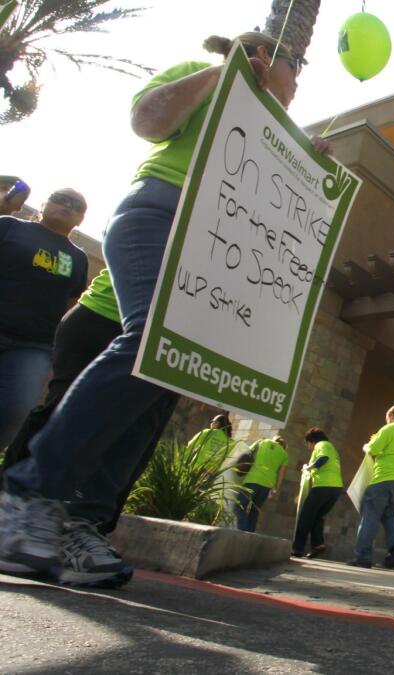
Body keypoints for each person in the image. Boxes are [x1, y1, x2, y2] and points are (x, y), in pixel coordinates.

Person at [0, 30, 325, 588]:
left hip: (221, 245)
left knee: (165, 374)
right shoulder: (198, 75)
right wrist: (223, 77)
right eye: (297, 65)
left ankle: (81, 521)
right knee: (154, 338)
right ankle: (29, 494)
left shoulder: (283, 136)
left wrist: (314, 175)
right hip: (161, 212)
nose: (298, 80)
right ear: (270, 59)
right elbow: (148, 123)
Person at [0, 268, 179, 536]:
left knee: (137, 435)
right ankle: (11, 505)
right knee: (60, 411)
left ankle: (87, 530)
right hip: (105, 317)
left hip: (173, 340)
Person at [0, 188, 89, 452]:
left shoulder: (78, 257)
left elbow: (72, 303)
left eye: (76, 205)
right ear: (44, 203)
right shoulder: (10, 227)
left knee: (15, 410)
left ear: (80, 220)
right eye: (60, 199)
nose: (67, 205)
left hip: (33, 346)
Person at [349, 405, 394, 569]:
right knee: (390, 516)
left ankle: (363, 557)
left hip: (383, 479)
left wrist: (366, 446)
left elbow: (373, 449)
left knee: (370, 517)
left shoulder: (390, 429)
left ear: (390, 416)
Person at [293, 428, 343, 558]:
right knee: (317, 516)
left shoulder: (322, 445)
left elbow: (323, 459)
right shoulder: (332, 448)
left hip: (324, 486)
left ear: (312, 441)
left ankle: (297, 548)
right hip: (335, 488)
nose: (308, 447)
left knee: (305, 516)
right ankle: (318, 544)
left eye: (307, 444)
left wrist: (308, 467)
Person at [235, 435, 288, 533]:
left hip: (252, 479)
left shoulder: (262, 442)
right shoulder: (284, 454)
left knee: (239, 506)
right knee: (254, 511)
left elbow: (247, 452)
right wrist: (276, 488)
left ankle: (243, 530)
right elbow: (282, 474)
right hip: (267, 485)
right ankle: (249, 534)